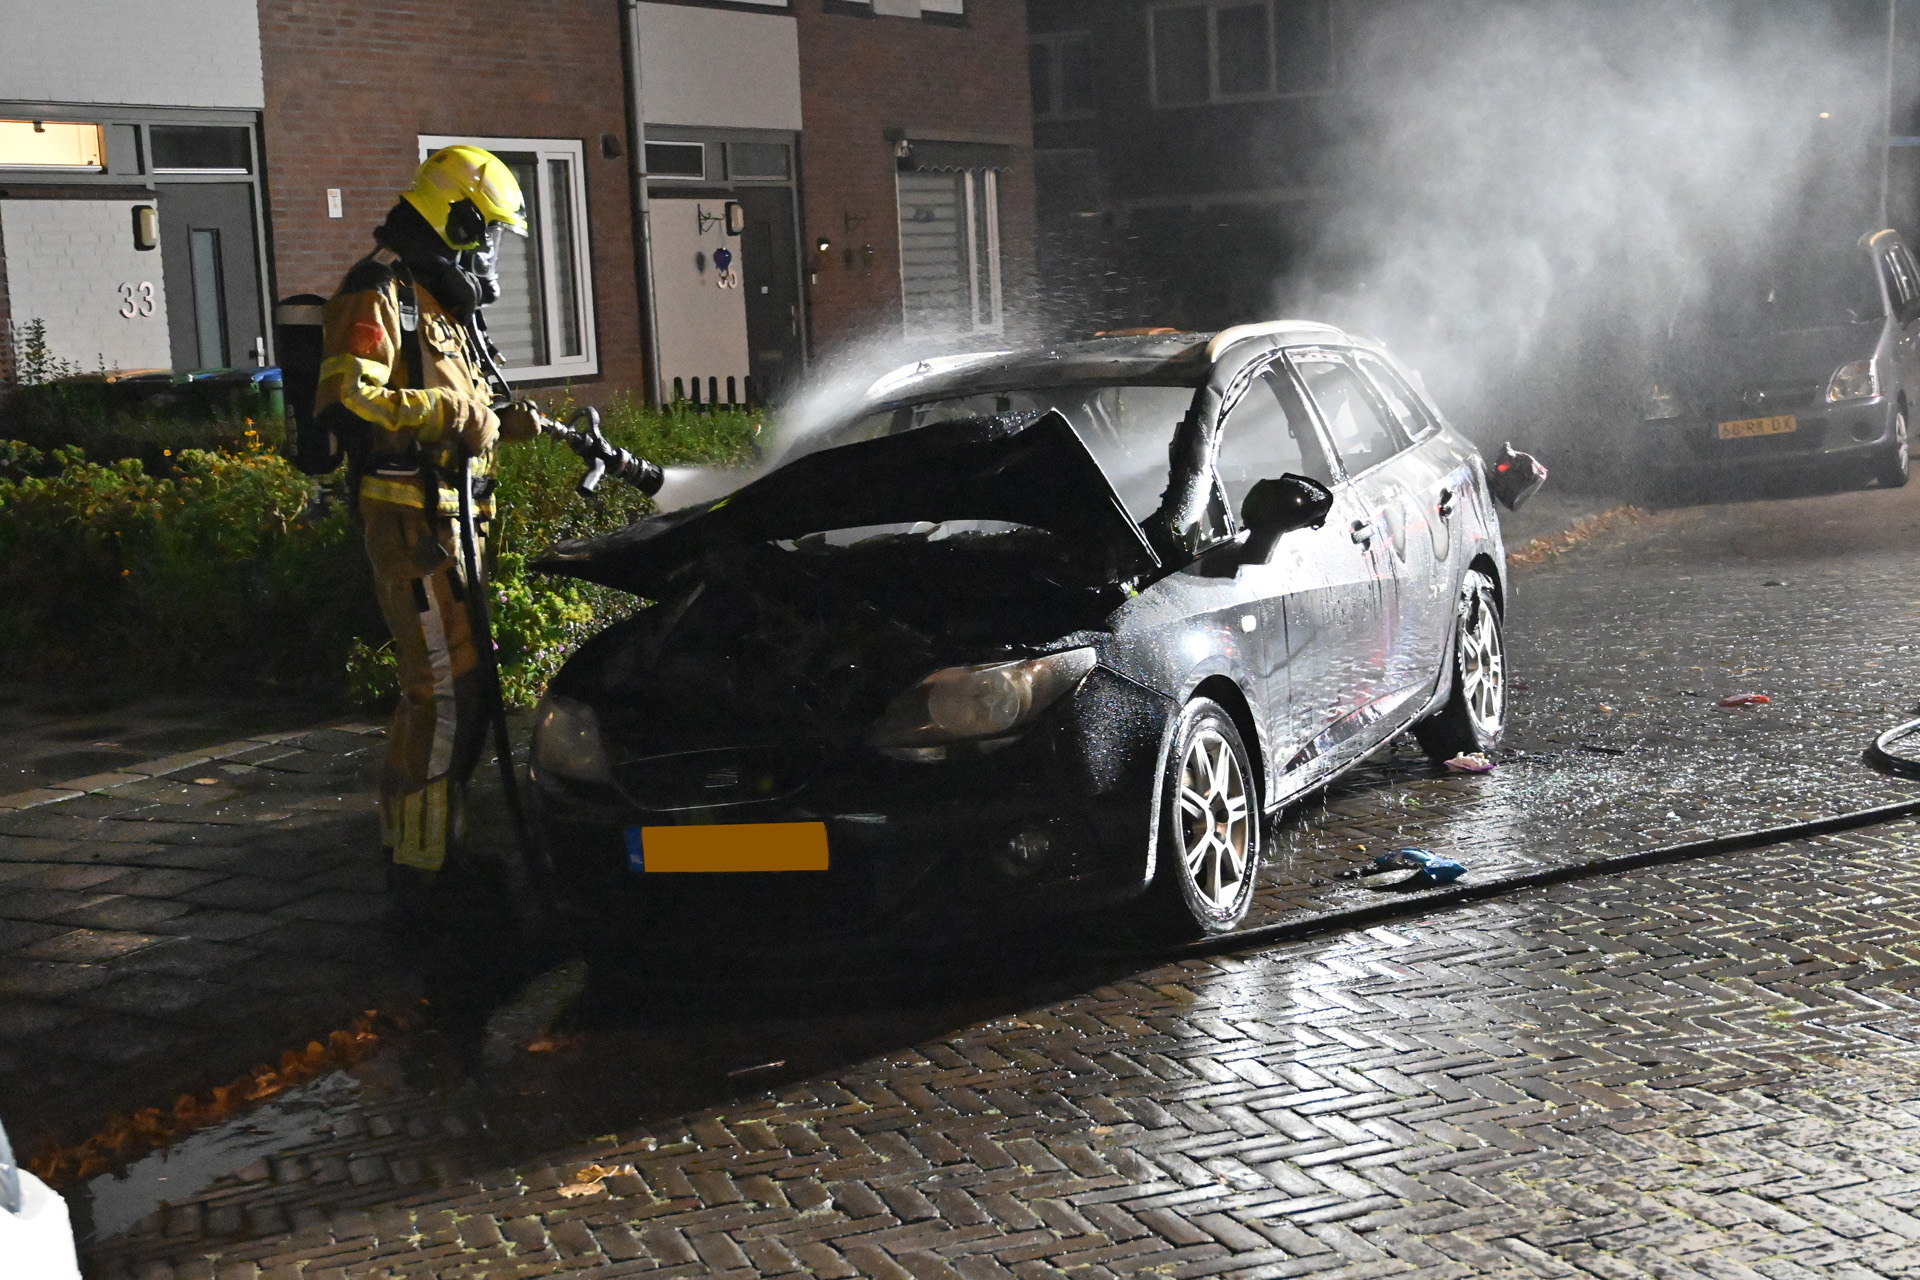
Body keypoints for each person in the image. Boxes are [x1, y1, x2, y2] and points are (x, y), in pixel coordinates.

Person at [314, 146, 545, 887]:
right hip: (408, 524)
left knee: (470, 689)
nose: (492, 247)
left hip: (455, 523)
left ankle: (446, 844)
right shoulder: (378, 289)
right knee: (440, 694)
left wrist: (501, 421)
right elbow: (350, 395)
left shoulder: (443, 298)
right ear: (458, 216)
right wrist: (450, 412)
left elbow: (466, 404)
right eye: (489, 229)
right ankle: (418, 870)